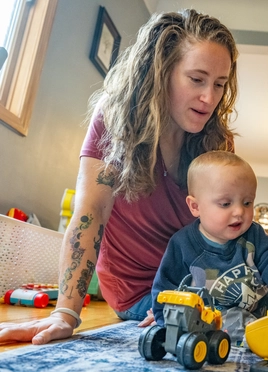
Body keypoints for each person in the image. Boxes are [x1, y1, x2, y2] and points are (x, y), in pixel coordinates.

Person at [0, 9, 238, 345]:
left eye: (219, 84)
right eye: (196, 79)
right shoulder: (114, 120)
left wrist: (197, 298)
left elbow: (220, 238)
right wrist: (65, 312)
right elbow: (91, 213)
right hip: (135, 291)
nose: (209, 98)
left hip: (193, 285)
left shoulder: (217, 142)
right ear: (162, 72)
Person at [151, 151, 268, 344]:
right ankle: (266, 338)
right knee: (231, 322)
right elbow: (165, 288)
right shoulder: (182, 244)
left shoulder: (254, 234)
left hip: (266, 302)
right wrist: (166, 320)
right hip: (220, 315)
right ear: (195, 206)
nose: (239, 212)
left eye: (247, 202)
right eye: (225, 204)